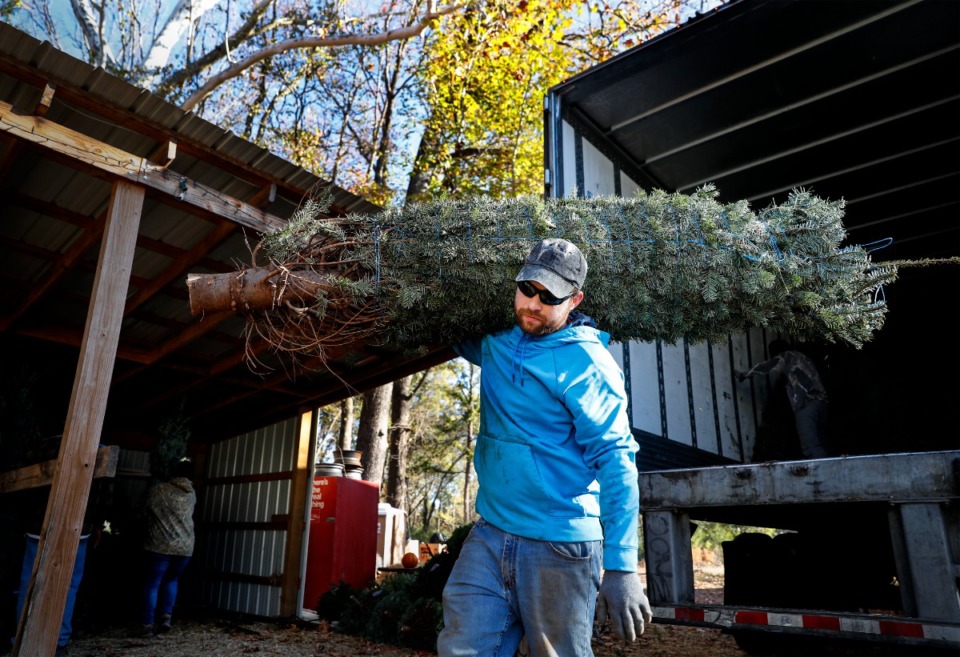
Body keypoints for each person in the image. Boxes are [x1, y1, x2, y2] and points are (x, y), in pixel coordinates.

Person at [437, 238, 651, 657]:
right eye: (528, 289)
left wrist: (623, 566)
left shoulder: (589, 365)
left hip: (561, 544)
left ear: (575, 300)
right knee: (462, 648)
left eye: (550, 296)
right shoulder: (497, 341)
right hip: (491, 533)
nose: (533, 304)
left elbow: (617, 463)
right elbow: (443, 330)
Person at [10, 438, 112, 657]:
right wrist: (97, 525)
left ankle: (21, 638)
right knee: (69, 586)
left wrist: (24, 522)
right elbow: (104, 495)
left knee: (29, 583)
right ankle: (59, 641)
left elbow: (23, 490)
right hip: (78, 529)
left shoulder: (39, 447)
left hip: (38, 525)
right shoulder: (100, 450)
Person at [737, 339, 830, 459]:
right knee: (820, 442)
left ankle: (824, 474)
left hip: (806, 403)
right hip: (821, 404)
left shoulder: (787, 355)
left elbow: (767, 366)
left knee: (810, 447)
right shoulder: (804, 358)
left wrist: (744, 374)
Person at [138, 458, 196, 636]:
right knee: (172, 580)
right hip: (185, 548)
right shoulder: (191, 493)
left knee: (152, 584)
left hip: (159, 546)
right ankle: (165, 618)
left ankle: (147, 625)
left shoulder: (158, 490)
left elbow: (144, 511)